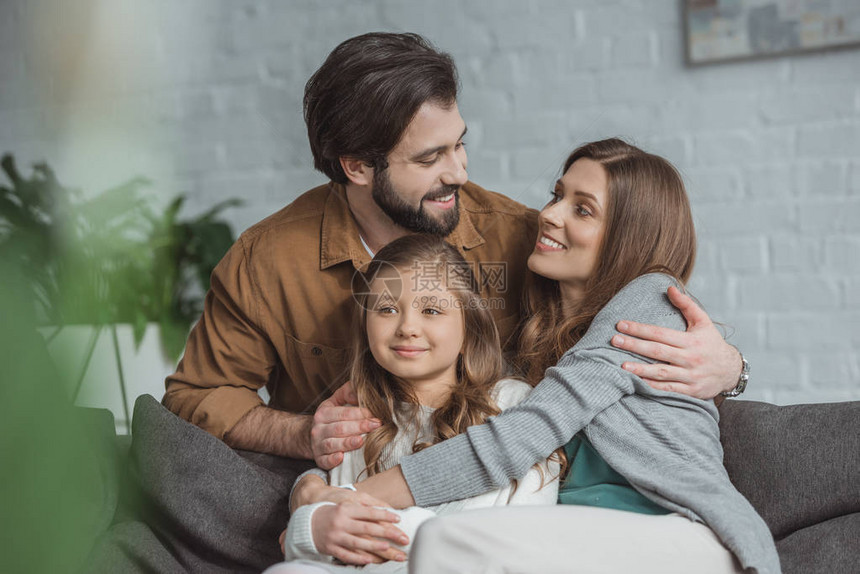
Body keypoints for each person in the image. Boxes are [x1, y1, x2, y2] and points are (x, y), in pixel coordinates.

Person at [162, 32, 744, 480]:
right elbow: (195, 394)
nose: (459, 172)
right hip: (347, 481)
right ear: (358, 167)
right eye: (429, 158)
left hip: (492, 481)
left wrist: (729, 368)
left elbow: (625, 324)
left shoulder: (520, 239)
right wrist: (302, 435)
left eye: (460, 143)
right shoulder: (267, 261)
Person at [293, 139, 780, 573]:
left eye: (583, 209)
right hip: (573, 544)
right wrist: (309, 492)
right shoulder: (534, 339)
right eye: (557, 194)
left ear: (627, 236)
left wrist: (347, 501)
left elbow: (514, 439)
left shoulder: (652, 297)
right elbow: (434, 417)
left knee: (446, 544)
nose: (549, 214)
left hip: (680, 537)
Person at [264, 235, 559, 574]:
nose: (407, 327)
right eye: (387, 309)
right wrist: (309, 525)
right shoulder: (359, 418)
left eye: (432, 310)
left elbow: (524, 535)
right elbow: (320, 549)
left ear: (469, 327)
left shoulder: (510, 403)